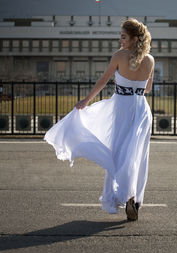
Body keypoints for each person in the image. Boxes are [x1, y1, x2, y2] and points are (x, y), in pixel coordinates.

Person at [44, 18, 155, 221]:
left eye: (123, 36)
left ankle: (126, 195)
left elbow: (103, 81)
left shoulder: (120, 56)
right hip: (141, 110)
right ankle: (134, 200)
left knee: (118, 153)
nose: (120, 40)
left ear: (133, 38)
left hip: (122, 108)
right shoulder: (150, 60)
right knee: (137, 155)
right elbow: (147, 89)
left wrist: (86, 100)